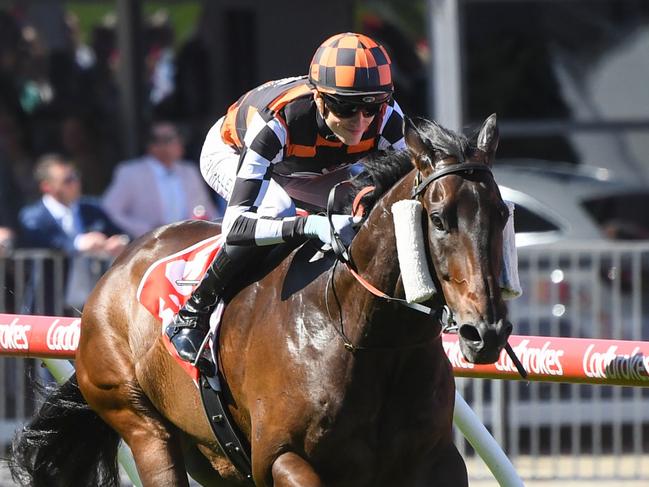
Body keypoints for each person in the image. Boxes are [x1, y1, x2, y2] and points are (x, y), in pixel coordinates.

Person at [166, 32, 406, 364]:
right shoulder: (278, 121)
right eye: (346, 107)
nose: (361, 122)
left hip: (310, 169)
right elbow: (236, 228)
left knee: (358, 207)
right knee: (276, 207)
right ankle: (193, 313)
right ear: (320, 98)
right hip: (231, 149)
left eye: (371, 107)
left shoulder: (389, 120)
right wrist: (308, 227)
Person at [18, 154, 128, 312]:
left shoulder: (91, 209)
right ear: (47, 187)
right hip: (49, 304)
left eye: (75, 177)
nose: (76, 183)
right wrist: (79, 243)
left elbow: (122, 234)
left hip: (91, 303)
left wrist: (118, 242)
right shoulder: (33, 216)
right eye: (67, 180)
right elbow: (43, 240)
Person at [102, 121, 218, 238]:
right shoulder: (131, 173)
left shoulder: (189, 171)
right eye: (171, 138)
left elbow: (209, 211)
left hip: (189, 243)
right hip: (151, 247)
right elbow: (110, 210)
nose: (178, 142)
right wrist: (146, 231)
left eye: (178, 137)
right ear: (153, 145)